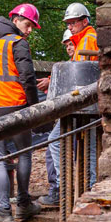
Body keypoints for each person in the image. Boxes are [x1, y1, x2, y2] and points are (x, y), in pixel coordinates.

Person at [0, 3, 42, 222]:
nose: (29, 30)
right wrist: (33, 108)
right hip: (14, 106)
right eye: (28, 24)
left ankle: (4, 212)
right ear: (15, 20)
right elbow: (28, 79)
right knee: (24, 153)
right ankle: (23, 204)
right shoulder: (17, 43)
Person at [38, 29, 78, 206]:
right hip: (69, 111)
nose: (69, 47)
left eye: (71, 44)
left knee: (56, 143)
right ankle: (58, 188)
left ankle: (63, 189)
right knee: (52, 149)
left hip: (76, 112)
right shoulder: (69, 63)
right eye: (67, 45)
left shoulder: (81, 58)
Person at [63, 1, 98, 184]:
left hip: (86, 102)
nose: (70, 27)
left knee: (90, 147)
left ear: (84, 21)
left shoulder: (88, 40)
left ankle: (91, 187)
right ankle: (87, 185)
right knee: (87, 147)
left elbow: (83, 75)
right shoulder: (82, 41)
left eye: (73, 22)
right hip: (84, 101)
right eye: (68, 23)